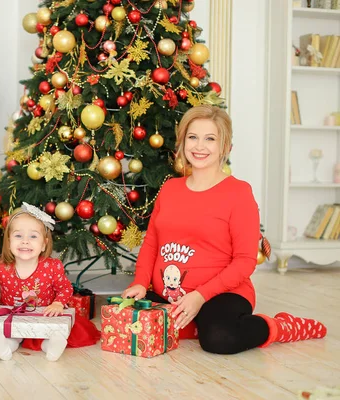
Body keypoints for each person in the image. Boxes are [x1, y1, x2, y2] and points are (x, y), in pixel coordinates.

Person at [122, 105, 327, 355]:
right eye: (193, 137)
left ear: (225, 147)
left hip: (220, 293)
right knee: (127, 322)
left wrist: (200, 296)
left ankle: (278, 326)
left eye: (210, 139)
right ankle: (193, 324)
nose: (199, 146)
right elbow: (152, 243)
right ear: (182, 141)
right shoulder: (170, 189)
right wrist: (141, 283)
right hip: (169, 294)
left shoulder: (238, 193)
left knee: (219, 339)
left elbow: (244, 261)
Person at [0, 203, 100, 361]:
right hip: (13, 317)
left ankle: (53, 346)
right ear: (8, 241)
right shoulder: (1, 267)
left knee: (47, 333)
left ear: (44, 243)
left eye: (33, 236)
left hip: (44, 315)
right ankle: (3, 346)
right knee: (10, 333)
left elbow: (65, 289)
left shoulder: (51, 267)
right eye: (18, 236)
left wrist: (58, 304)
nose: (25, 241)